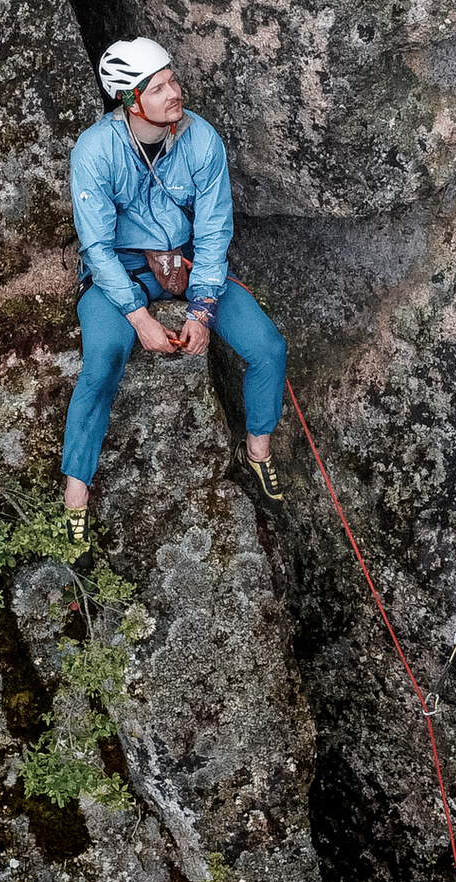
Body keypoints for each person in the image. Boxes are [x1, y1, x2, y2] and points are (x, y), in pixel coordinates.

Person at [61, 36, 288, 543]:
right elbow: (96, 248)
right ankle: (76, 490)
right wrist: (139, 317)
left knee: (268, 346)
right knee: (103, 360)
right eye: (158, 87)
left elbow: (213, 229)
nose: (174, 93)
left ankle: (257, 449)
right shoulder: (95, 151)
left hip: (188, 264)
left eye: (172, 80)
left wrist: (203, 309)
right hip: (121, 270)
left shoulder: (201, 139)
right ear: (129, 100)